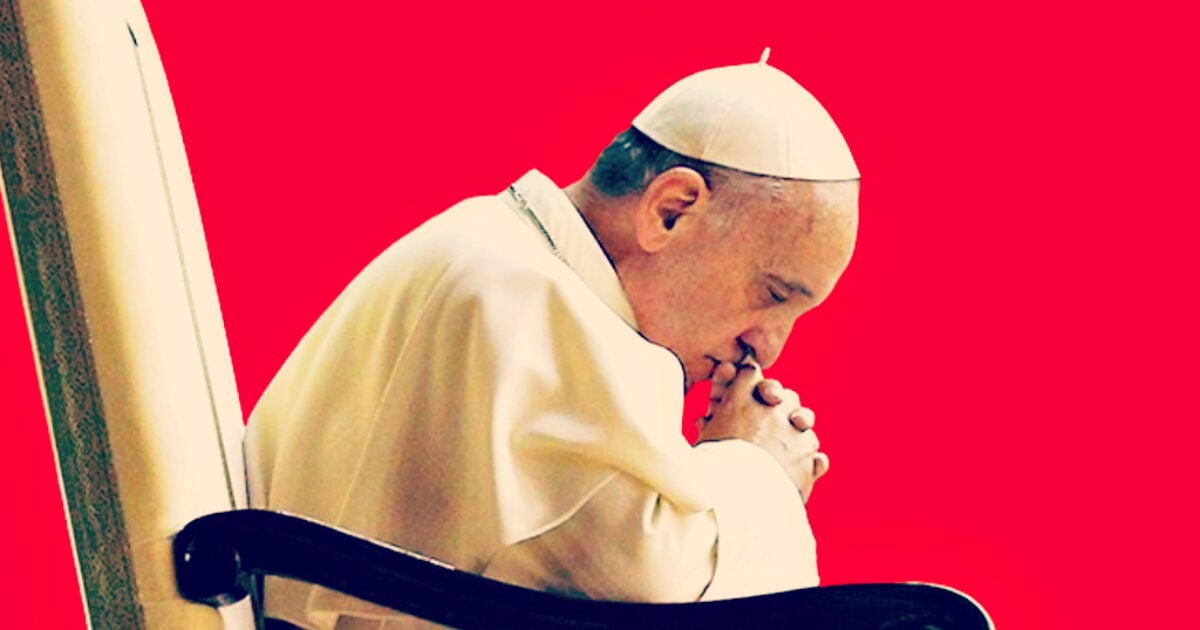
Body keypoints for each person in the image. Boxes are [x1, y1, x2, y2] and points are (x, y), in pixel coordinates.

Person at [244, 53, 860, 629]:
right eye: (774, 294)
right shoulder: (523, 297)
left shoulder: (510, 261)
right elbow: (651, 597)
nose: (767, 349)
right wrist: (759, 468)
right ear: (671, 210)